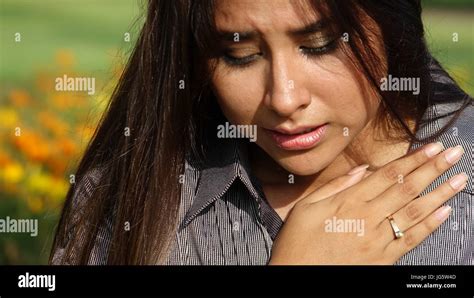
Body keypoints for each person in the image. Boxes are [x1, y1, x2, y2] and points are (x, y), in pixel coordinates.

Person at [50, 0, 473, 265]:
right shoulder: (130, 197)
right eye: (240, 55)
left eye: (320, 44)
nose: (284, 98)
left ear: (390, 23)